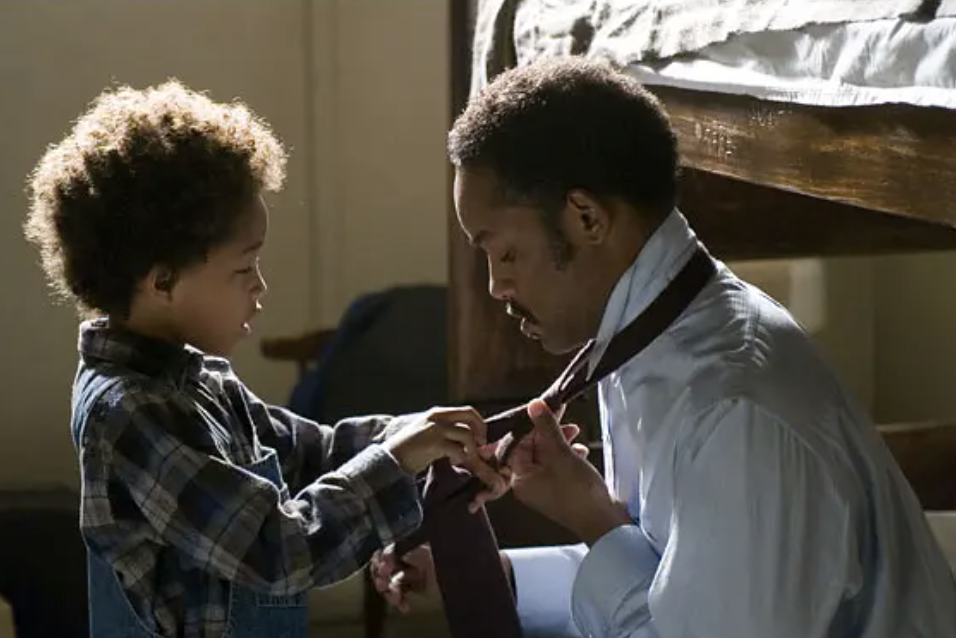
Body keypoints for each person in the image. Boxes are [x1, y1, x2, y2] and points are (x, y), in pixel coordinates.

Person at [370, 57, 956, 637]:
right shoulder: (650, 339)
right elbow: (676, 582)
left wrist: (595, 520)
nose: (496, 285)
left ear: (585, 218)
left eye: (504, 253)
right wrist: (492, 574)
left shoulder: (735, 407)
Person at [22, 80, 504, 638]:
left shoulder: (199, 381)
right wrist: (396, 461)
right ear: (163, 281)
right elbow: (276, 550)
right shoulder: (128, 415)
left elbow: (312, 453)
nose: (261, 288)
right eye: (243, 268)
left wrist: (425, 436)